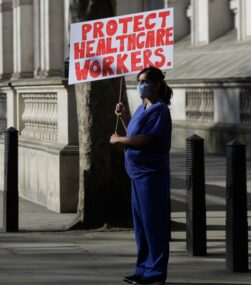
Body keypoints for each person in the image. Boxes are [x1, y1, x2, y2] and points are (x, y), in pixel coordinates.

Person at [110, 66, 173, 285]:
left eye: (145, 82)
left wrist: (118, 140)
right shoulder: (141, 109)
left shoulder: (160, 110)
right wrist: (124, 116)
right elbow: (133, 134)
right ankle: (143, 269)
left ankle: (155, 273)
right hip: (137, 174)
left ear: (156, 85)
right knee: (141, 226)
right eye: (138, 81)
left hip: (151, 175)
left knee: (154, 224)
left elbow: (145, 140)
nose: (140, 85)